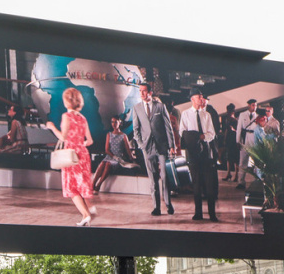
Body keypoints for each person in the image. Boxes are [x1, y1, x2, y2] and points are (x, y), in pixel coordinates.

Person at [45, 87, 96, 226]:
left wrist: (52, 127)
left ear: (66, 101)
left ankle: (86, 215)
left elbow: (63, 137)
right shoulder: (83, 118)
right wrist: (80, 144)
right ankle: (89, 208)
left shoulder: (66, 117)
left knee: (71, 188)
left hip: (71, 155)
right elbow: (90, 141)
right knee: (82, 184)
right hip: (83, 154)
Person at [132, 83, 175, 216]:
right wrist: (141, 145)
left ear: (150, 92)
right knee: (153, 178)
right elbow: (136, 129)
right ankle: (156, 207)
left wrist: (172, 145)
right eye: (140, 91)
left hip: (162, 146)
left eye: (144, 91)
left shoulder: (160, 107)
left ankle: (168, 204)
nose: (142, 94)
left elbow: (168, 128)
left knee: (165, 176)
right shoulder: (137, 108)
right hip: (147, 148)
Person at [180, 87, 218, 221]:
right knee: (196, 183)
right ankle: (198, 213)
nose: (201, 99)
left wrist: (201, 137)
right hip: (193, 152)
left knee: (209, 183)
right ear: (192, 99)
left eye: (202, 97)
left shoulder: (206, 115)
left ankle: (212, 214)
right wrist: (193, 138)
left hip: (206, 152)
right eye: (198, 97)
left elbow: (212, 134)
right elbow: (182, 132)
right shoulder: (185, 114)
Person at [92, 116, 134, 193]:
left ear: (119, 122)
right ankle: (92, 184)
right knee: (102, 163)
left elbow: (128, 150)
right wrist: (113, 156)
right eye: (112, 122)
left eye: (115, 122)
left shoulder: (124, 136)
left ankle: (98, 185)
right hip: (109, 156)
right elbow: (107, 150)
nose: (113, 124)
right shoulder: (109, 134)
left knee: (108, 164)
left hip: (118, 158)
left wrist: (132, 158)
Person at [235, 99, 259, 189]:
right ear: (248, 105)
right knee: (242, 162)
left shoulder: (257, 116)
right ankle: (241, 182)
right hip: (244, 140)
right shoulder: (242, 115)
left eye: (256, 105)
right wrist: (237, 141)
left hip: (253, 139)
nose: (254, 107)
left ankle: (257, 180)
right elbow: (239, 129)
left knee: (256, 162)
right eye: (253, 105)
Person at [221, 104, 238, 181]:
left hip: (234, 140)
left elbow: (238, 131)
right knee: (228, 158)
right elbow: (226, 131)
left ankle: (236, 175)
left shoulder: (235, 120)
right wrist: (224, 140)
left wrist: (233, 130)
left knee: (235, 158)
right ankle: (229, 174)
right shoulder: (226, 119)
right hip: (229, 140)